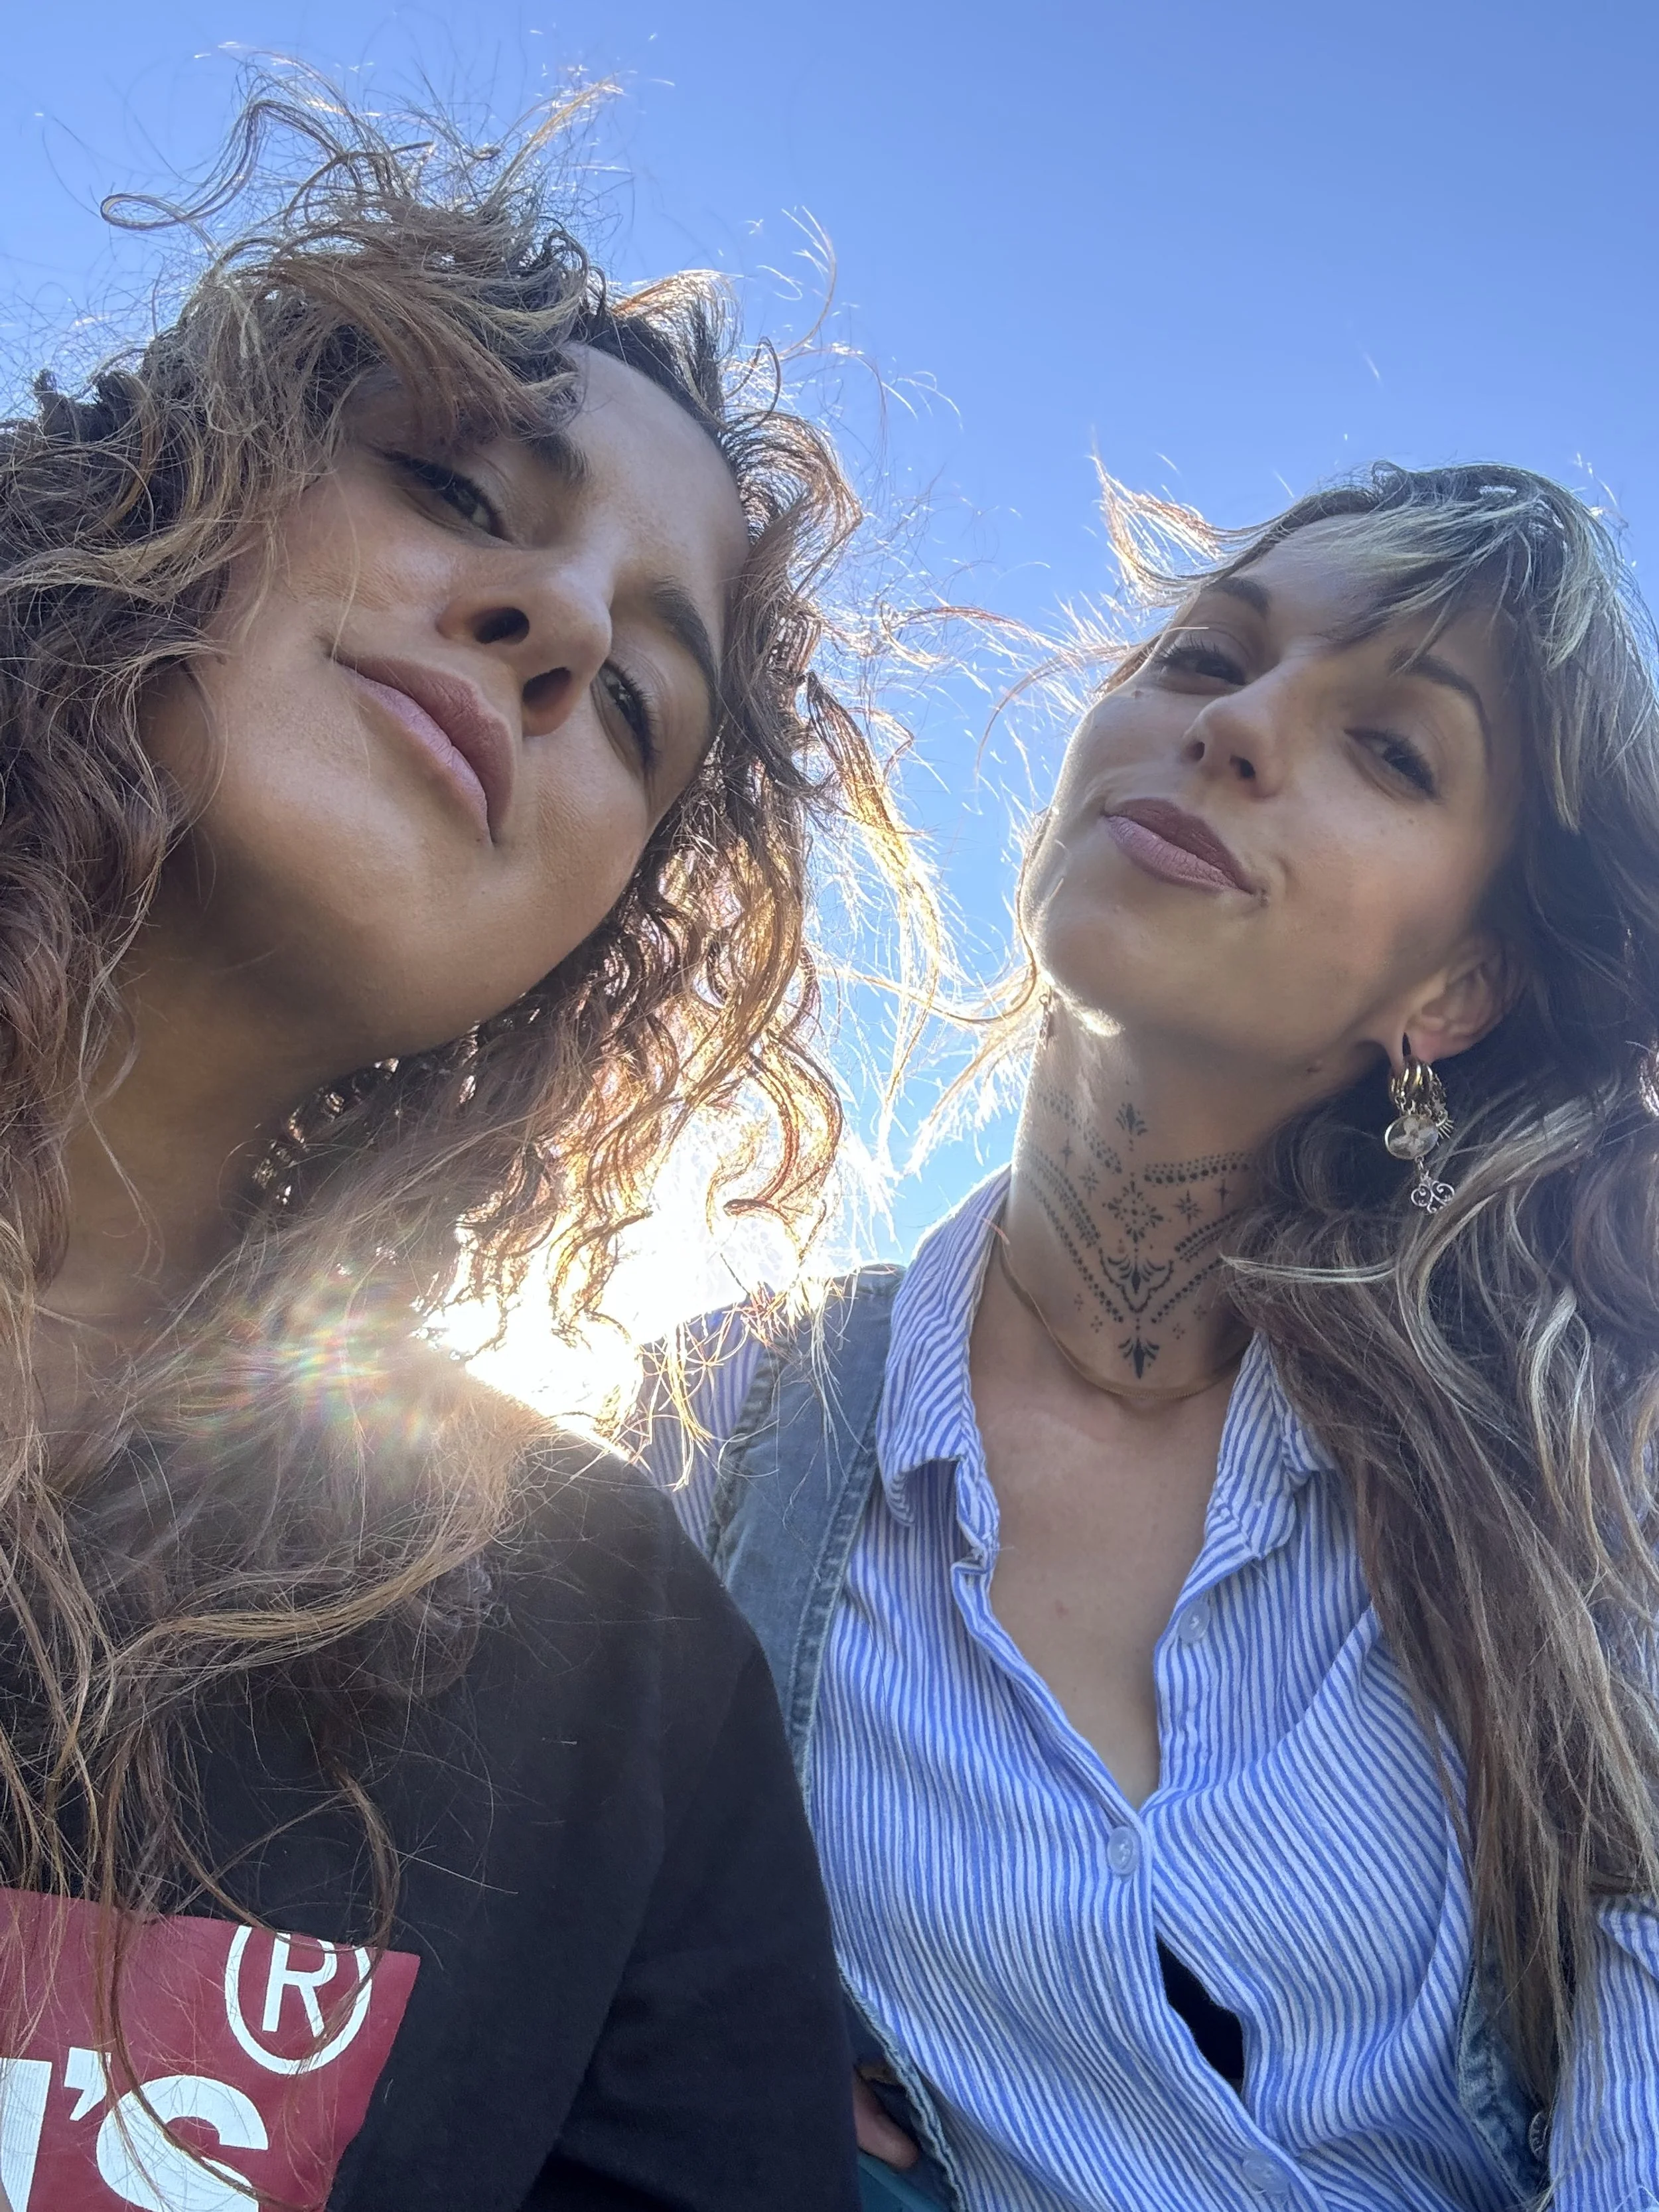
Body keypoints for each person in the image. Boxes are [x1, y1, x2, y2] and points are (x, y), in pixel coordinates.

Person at [0, 77, 914, 2212]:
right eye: (451, 482)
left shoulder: (604, 1658)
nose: (561, 630)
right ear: (169, 474)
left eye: (635, 713)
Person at [634, 462, 1659, 2211]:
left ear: (1452, 991)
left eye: (1391, 748)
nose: (1243, 727)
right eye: (1202, 657)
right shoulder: (718, 1421)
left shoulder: (1585, 1464)